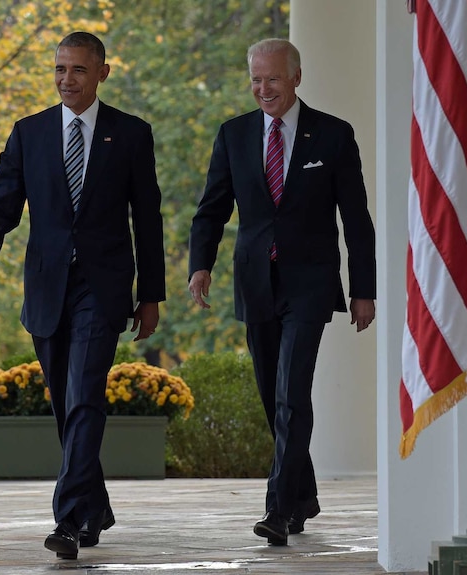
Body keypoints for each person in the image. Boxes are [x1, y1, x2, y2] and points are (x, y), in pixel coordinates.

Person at [0, 31, 165, 560]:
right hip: (48, 286)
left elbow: (147, 219)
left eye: (78, 70)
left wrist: (150, 294)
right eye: (59, 69)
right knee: (66, 400)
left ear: (102, 72)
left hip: (102, 290)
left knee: (84, 396)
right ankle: (93, 505)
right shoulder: (29, 133)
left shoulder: (130, 134)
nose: (66, 80)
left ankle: (69, 520)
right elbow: (0, 200)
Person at [187, 38, 376, 546]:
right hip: (255, 281)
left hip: (311, 284)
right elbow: (211, 209)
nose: (262, 88)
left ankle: (277, 509)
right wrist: (199, 266)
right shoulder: (234, 134)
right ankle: (303, 495)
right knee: (273, 395)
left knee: (292, 391)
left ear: (296, 77)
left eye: (272, 78)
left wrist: (364, 289)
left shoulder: (334, 136)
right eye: (255, 79)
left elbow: (356, 220)